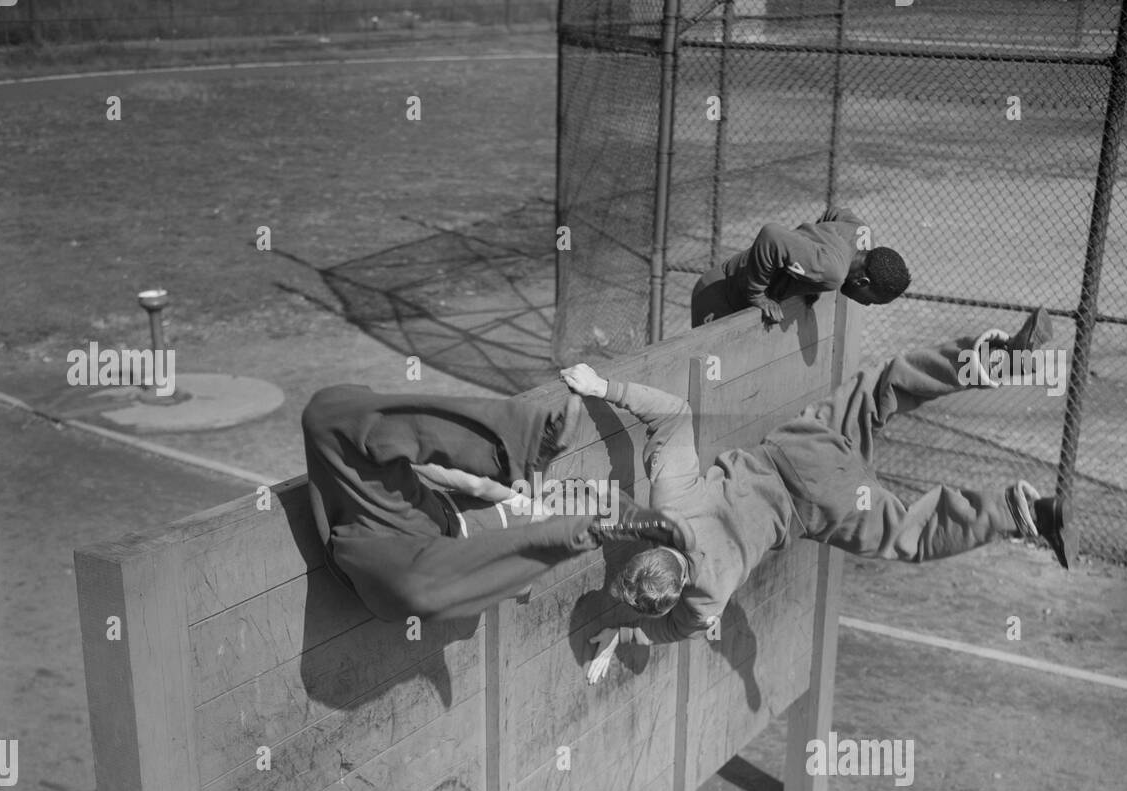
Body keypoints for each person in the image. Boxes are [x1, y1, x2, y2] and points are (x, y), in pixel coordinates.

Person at [559, 308, 1075, 684]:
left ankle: (1022, 514)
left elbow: (676, 629)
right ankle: (992, 359)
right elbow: (673, 414)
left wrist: (628, 636)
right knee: (883, 387)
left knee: (908, 535)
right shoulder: (669, 503)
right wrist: (602, 387)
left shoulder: (706, 598)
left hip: (821, 505)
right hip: (802, 448)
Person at [301, 385, 694, 623]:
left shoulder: (522, 560)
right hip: (401, 519)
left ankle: (586, 526)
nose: (569, 488)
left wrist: (541, 510)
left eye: (574, 494)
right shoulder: (525, 490)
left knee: (417, 584)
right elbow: (454, 476)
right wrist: (415, 456)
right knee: (325, 412)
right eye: (571, 487)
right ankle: (522, 444)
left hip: (416, 568)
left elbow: (492, 579)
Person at [691, 207, 910, 327]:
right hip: (719, 295)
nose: (866, 304)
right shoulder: (832, 272)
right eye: (869, 299)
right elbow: (771, 236)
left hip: (731, 292)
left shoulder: (864, 235)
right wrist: (757, 295)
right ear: (862, 282)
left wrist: (810, 268)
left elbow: (835, 213)